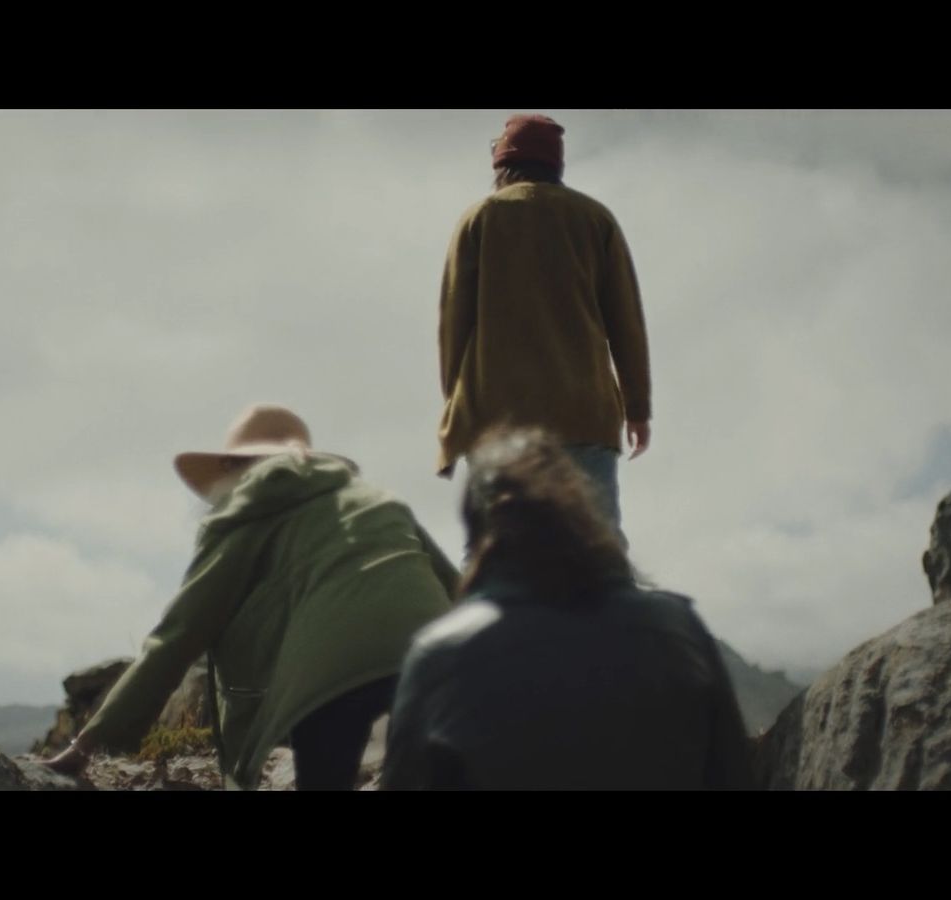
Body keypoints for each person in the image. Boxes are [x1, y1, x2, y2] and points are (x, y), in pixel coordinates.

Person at [41, 404, 458, 790]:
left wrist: (88, 744)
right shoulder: (378, 502)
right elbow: (461, 590)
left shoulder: (244, 519)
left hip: (330, 680)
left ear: (235, 468)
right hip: (436, 659)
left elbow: (180, 633)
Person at [383, 428, 753, 790]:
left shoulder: (439, 658)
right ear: (581, 512)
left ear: (477, 532)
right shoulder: (677, 626)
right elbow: (735, 775)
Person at [437, 113, 652, 550]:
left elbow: (453, 324)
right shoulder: (595, 220)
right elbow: (625, 320)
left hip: (497, 420)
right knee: (597, 554)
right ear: (556, 165)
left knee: (494, 554)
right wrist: (637, 407)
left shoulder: (481, 218)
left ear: (502, 162)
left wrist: (456, 402)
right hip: (584, 413)